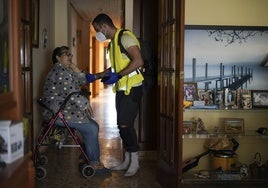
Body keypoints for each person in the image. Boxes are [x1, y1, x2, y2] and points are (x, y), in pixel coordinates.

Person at [41, 46, 110, 175]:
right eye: (66, 54)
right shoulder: (59, 72)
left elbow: (82, 80)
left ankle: (88, 157)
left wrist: (76, 68)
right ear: (58, 58)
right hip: (57, 113)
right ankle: (94, 164)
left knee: (92, 125)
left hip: (63, 110)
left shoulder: (65, 70)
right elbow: (71, 91)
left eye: (70, 54)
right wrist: (84, 104)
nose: (70, 56)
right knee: (92, 128)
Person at [91, 13, 144, 177]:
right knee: (121, 125)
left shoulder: (125, 37)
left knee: (125, 124)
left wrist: (119, 76)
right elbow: (114, 69)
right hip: (121, 88)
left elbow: (138, 61)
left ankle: (134, 161)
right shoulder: (113, 43)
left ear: (104, 26)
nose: (97, 33)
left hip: (133, 87)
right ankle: (127, 160)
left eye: (96, 30)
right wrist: (96, 76)